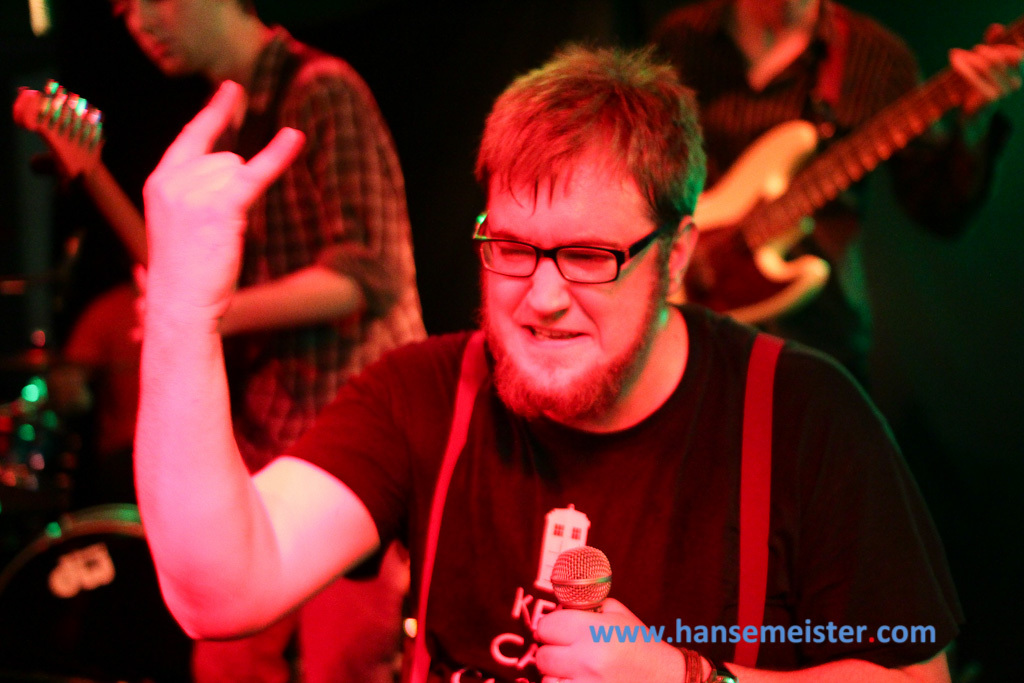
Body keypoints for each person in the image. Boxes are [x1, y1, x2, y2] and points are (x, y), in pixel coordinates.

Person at [135, 47, 961, 682]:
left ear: (676, 257)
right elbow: (219, 591)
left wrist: (691, 677)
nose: (541, 298)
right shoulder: (425, 390)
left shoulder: (802, 412)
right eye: (512, 247)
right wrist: (182, 309)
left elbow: (913, 678)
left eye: (589, 255)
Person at [41, 0, 425, 681]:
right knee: (225, 660)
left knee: (343, 665)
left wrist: (209, 312)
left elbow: (366, 274)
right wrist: (93, 173)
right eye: (123, 10)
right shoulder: (226, 120)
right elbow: (184, 275)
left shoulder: (321, 90)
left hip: (352, 442)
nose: (138, 23)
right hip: (262, 437)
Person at [652, 0, 1022, 383]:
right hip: (684, 315)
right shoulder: (679, 39)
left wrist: (974, 125)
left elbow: (941, 214)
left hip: (818, 336)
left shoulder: (877, 57)